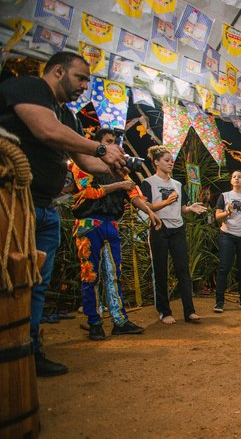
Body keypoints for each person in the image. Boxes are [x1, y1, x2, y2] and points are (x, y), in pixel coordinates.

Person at [0, 52, 128, 376]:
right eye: (80, 77)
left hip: (46, 209)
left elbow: (86, 162)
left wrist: (113, 165)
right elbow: (47, 131)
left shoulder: (68, 117)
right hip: (12, 204)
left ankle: (29, 352)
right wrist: (102, 148)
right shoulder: (29, 88)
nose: (85, 86)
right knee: (8, 279)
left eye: (87, 80)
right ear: (58, 71)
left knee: (37, 283)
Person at [71, 128, 162, 341]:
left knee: (114, 275)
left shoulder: (117, 168)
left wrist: (149, 211)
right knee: (90, 275)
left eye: (115, 142)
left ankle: (119, 321)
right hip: (89, 224)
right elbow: (88, 192)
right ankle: (94, 322)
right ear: (97, 143)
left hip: (111, 224)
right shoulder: (82, 162)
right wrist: (119, 184)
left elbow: (132, 191)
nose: (113, 145)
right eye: (109, 141)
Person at [141, 145, 206, 325]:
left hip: (178, 228)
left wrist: (190, 208)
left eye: (172, 160)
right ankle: (164, 311)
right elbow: (146, 207)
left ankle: (189, 311)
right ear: (156, 162)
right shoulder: (148, 182)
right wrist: (165, 202)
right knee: (160, 270)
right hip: (159, 228)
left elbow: (182, 208)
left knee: (183, 270)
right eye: (166, 160)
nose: (171, 163)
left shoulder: (177, 184)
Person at [213, 170, 241, 313]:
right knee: (224, 267)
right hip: (227, 234)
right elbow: (217, 216)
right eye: (234, 177)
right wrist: (227, 212)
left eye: (240, 177)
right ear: (231, 181)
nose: (237, 179)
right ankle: (219, 302)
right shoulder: (224, 196)